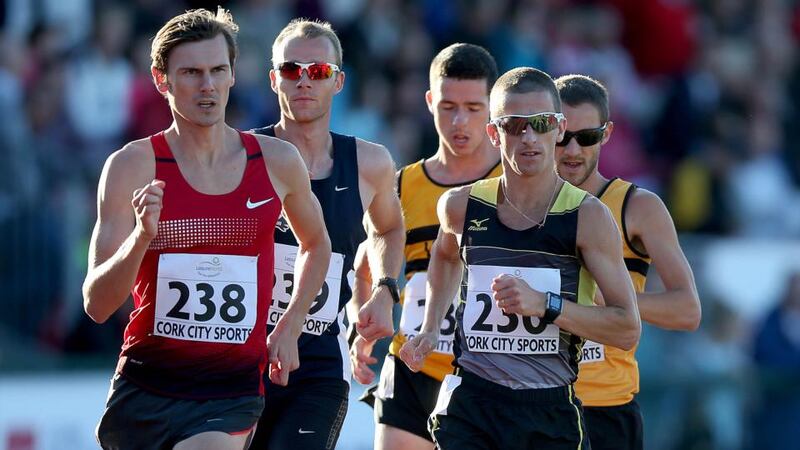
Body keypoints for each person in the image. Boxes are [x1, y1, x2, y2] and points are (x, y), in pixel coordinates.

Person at [82, 9, 331, 450]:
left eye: (218, 70)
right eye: (192, 73)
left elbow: (316, 243)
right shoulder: (131, 167)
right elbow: (97, 305)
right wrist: (142, 237)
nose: (208, 86)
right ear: (163, 81)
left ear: (234, 74)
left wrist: (290, 325)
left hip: (229, 391)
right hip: (144, 388)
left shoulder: (276, 162)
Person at [399, 67, 641, 450]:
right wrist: (430, 328)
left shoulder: (588, 217)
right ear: (494, 133)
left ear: (559, 128)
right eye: (514, 126)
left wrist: (546, 305)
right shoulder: (461, 206)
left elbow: (627, 327)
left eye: (540, 123)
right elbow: (445, 257)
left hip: (547, 409)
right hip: (472, 402)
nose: (529, 138)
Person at [248, 19, 405, 450]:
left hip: (318, 363)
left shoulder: (370, 162)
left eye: (317, 71)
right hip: (241, 354)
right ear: (273, 79)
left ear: (338, 81)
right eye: (290, 70)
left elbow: (389, 227)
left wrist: (386, 289)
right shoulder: (243, 156)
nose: (303, 81)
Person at [349, 43, 501, 450]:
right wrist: (360, 326)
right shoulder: (402, 185)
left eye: (473, 107)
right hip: (412, 364)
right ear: (429, 101)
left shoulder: (517, 182)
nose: (459, 121)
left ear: (493, 109)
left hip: (492, 372)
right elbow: (367, 259)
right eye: (448, 106)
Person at [554, 74, 701, 450]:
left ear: (606, 134)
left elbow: (687, 309)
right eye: (561, 136)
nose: (572, 149)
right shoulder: (518, 204)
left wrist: (616, 304)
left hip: (605, 406)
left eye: (586, 137)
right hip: (533, 400)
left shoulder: (637, 206)